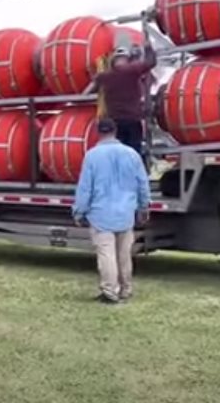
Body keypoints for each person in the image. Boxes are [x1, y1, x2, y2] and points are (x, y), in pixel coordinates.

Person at [72, 117, 151, 304]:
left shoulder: (92, 156)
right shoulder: (132, 154)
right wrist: (143, 206)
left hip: (101, 214)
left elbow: (85, 188)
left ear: (98, 132)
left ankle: (109, 290)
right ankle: (126, 289)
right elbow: (142, 184)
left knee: (107, 254)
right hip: (125, 213)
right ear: (115, 131)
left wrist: (79, 211)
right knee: (124, 254)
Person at [85, 44, 157, 159]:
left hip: (114, 122)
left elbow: (85, 94)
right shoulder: (132, 70)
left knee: (116, 155)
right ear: (127, 59)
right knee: (133, 154)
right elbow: (151, 62)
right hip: (132, 120)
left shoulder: (104, 76)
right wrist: (148, 47)